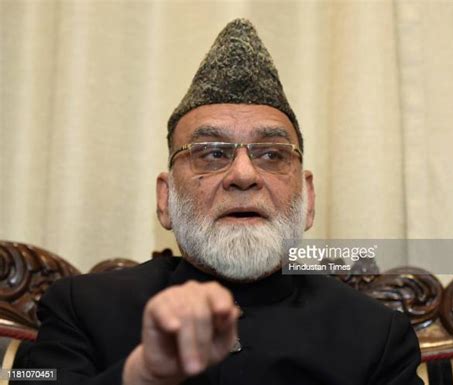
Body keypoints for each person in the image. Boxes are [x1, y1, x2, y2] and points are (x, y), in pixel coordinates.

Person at [20, 18, 423, 385]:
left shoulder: (377, 335)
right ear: (165, 199)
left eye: (272, 154)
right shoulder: (81, 307)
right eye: (211, 153)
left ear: (309, 198)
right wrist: (142, 376)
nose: (243, 176)